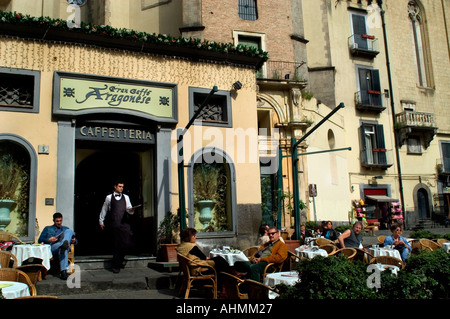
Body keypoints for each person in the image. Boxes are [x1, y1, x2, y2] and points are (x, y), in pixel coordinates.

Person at [177, 228, 231, 292]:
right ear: (188, 237)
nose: (195, 237)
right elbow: (204, 258)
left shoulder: (181, 246)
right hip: (198, 271)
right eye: (194, 235)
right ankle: (227, 286)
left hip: (190, 269)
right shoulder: (192, 247)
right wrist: (210, 260)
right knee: (220, 263)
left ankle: (224, 286)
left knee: (219, 261)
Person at [99, 180, 135, 273]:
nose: (121, 188)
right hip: (114, 224)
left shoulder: (126, 197)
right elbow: (104, 209)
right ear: (115, 186)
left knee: (127, 242)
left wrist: (131, 210)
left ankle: (122, 259)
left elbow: (129, 209)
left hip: (124, 224)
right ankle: (116, 266)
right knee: (116, 245)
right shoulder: (109, 197)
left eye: (122, 187)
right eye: (120, 186)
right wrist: (101, 221)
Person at [38, 212, 76, 280]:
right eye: (57, 221)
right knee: (63, 246)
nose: (59, 223)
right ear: (53, 221)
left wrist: (74, 241)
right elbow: (40, 240)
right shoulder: (48, 228)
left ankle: (63, 272)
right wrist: (49, 240)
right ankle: (63, 244)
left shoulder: (65, 228)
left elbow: (76, 241)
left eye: (60, 221)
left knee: (69, 231)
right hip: (52, 247)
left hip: (62, 248)